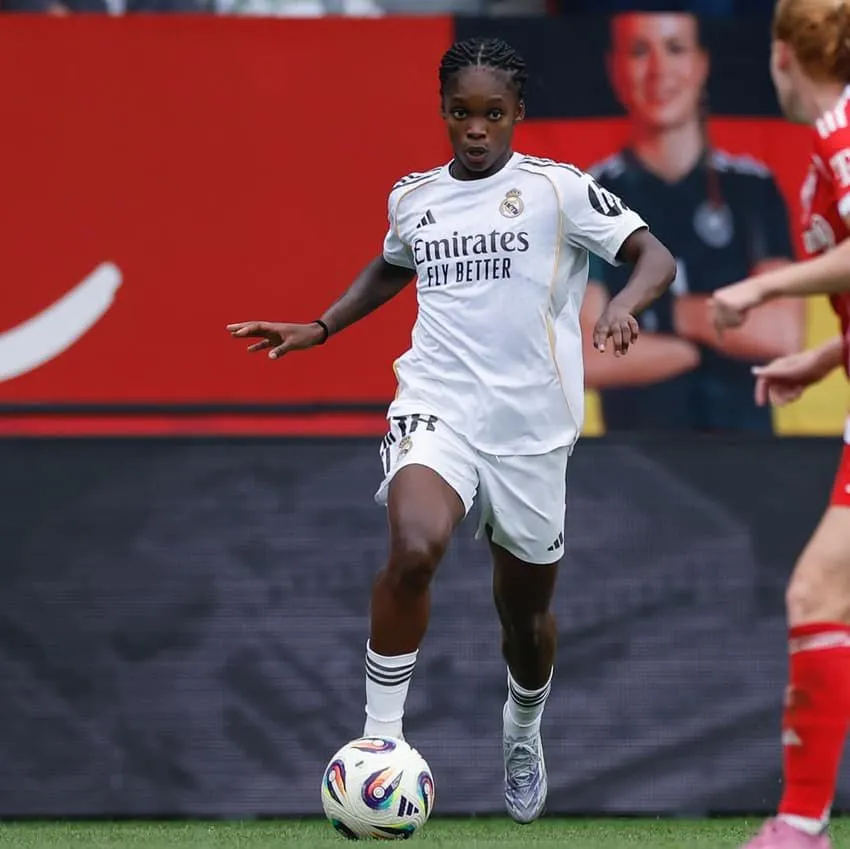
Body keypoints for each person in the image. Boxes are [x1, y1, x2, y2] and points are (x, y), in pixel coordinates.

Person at [227, 36, 676, 823]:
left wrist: (624, 304)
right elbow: (395, 262)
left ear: (518, 115)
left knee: (525, 619)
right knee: (413, 547)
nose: (475, 129)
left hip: (534, 432)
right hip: (438, 406)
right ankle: (379, 746)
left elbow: (653, 255)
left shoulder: (558, 190)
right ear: (442, 112)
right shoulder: (414, 196)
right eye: (461, 113)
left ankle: (523, 726)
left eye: (492, 114)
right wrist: (321, 326)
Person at [710, 0, 850, 845]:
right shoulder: (834, 135)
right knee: (822, 591)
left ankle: (799, 823)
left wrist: (765, 287)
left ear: (784, 55)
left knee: (815, 589)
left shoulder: (841, 134)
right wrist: (825, 358)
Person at [582, 11, 801, 433]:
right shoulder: (589, 200)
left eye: (676, 48)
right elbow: (586, 356)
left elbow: (782, 335)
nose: (658, 70)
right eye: (639, 51)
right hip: (634, 472)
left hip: (751, 465)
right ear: (615, 68)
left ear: (702, 64)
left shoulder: (753, 188)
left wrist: (659, 317)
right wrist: (713, 341)